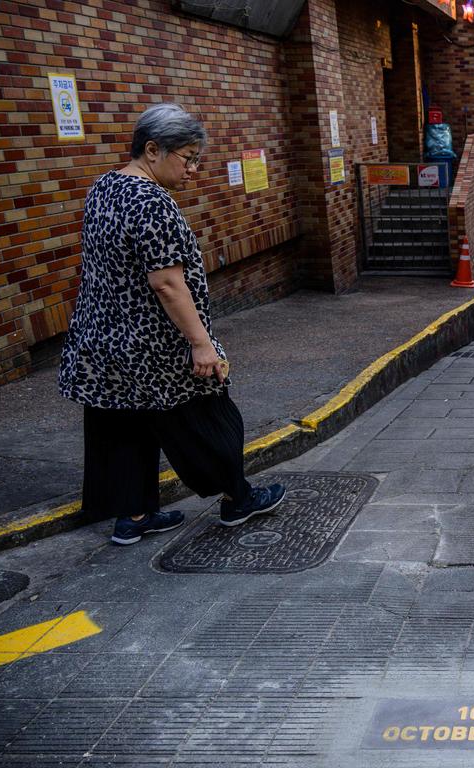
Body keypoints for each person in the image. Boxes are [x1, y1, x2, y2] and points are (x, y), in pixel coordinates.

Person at [58, 103, 285, 545]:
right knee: (210, 416)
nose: (194, 169)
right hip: (155, 344)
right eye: (188, 158)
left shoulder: (104, 187)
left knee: (123, 427)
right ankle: (238, 499)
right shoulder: (151, 201)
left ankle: (135, 516)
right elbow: (166, 283)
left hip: (103, 340)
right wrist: (202, 344)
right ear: (152, 149)